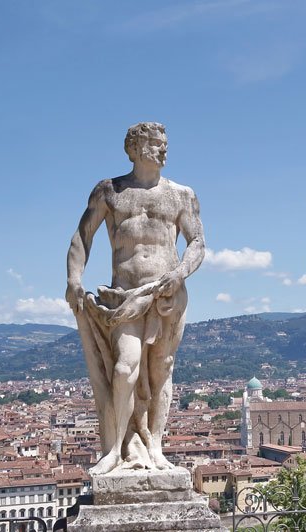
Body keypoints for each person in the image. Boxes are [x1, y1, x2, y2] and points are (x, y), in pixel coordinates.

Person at [66, 122, 205, 474]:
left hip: (167, 293)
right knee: (125, 367)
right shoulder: (110, 191)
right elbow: (82, 238)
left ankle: (155, 447)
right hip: (124, 297)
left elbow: (197, 243)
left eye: (165, 144)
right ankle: (115, 449)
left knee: (162, 371)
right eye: (158, 144)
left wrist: (179, 274)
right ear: (136, 148)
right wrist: (74, 279)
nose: (164, 151)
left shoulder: (181, 195)